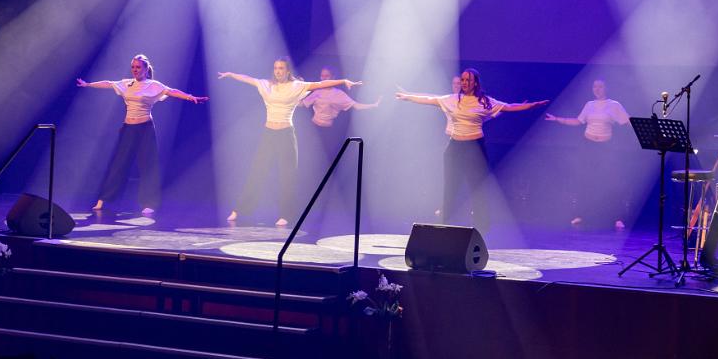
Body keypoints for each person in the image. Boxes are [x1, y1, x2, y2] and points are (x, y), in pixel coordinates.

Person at [396, 68, 548, 233]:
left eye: (468, 80)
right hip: (454, 147)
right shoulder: (452, 99)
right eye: (463, 80)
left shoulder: (485, 102)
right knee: (450, 187)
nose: (464, 83)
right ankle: (445, 223)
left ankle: (481, 226)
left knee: (477, 187)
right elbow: (429, 99)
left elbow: (509, 107)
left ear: (475, 83)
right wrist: (408, 97)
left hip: (475, 148)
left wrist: (531, 106)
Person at [220, 58, 361, 226]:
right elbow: (247, 78)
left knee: (287, 175)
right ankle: (240, 209)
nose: (278, 71)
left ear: (287, 71)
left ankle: (286, 214)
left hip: (286, 134)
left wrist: (343, 81)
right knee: (257, 172)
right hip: (268, 134)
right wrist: (231, 74)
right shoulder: (266, 85)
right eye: (275, 68)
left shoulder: (296, 86)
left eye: (281, 68)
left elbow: (320, 84)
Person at [77, 54, 206, 215]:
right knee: (119, 164)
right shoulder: (127, 83)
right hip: (128, 128)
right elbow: (108, 83)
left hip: (145, 129)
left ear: (146, 69)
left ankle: (149, 202)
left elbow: (171, 91)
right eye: (133, 67)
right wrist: (88, 84)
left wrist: (190, 97)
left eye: (138, 67)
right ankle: (104, 198)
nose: (135, 70)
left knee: (148, 165)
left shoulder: (153, 85)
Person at [545, 78, 631, 229]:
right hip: (588, 146)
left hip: (606, 147)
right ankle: (580, 214)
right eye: (594, 87)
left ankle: (617, 218)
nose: (597, 89)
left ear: (606, 88)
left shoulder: (614, 105)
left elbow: (628, 121)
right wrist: (557, 119)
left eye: (600, 86)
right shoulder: (589, 105)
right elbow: (578, 121)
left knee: (611, 182)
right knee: (585, 180)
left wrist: (647, 124)